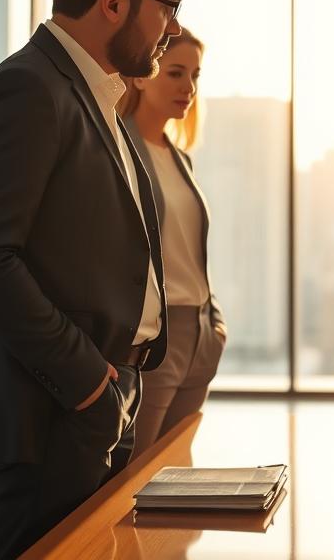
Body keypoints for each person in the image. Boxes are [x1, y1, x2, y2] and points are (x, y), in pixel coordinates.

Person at [0, 0, 188, 560]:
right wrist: (88, 382)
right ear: (112, 3)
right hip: (54, 409)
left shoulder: (98, 95)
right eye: (167, 8)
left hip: (101, 400)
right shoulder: (28, 89)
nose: (174, 29)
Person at [120, 30, 228, 453]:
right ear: (144, 76)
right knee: (138, 479)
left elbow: (189, 253)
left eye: (195, 75)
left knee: (178, 472)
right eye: (176, 73)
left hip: (200, 334)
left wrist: (215, 327)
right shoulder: (119, 148)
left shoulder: (180, 157)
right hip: (156, 340)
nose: (189, 88)